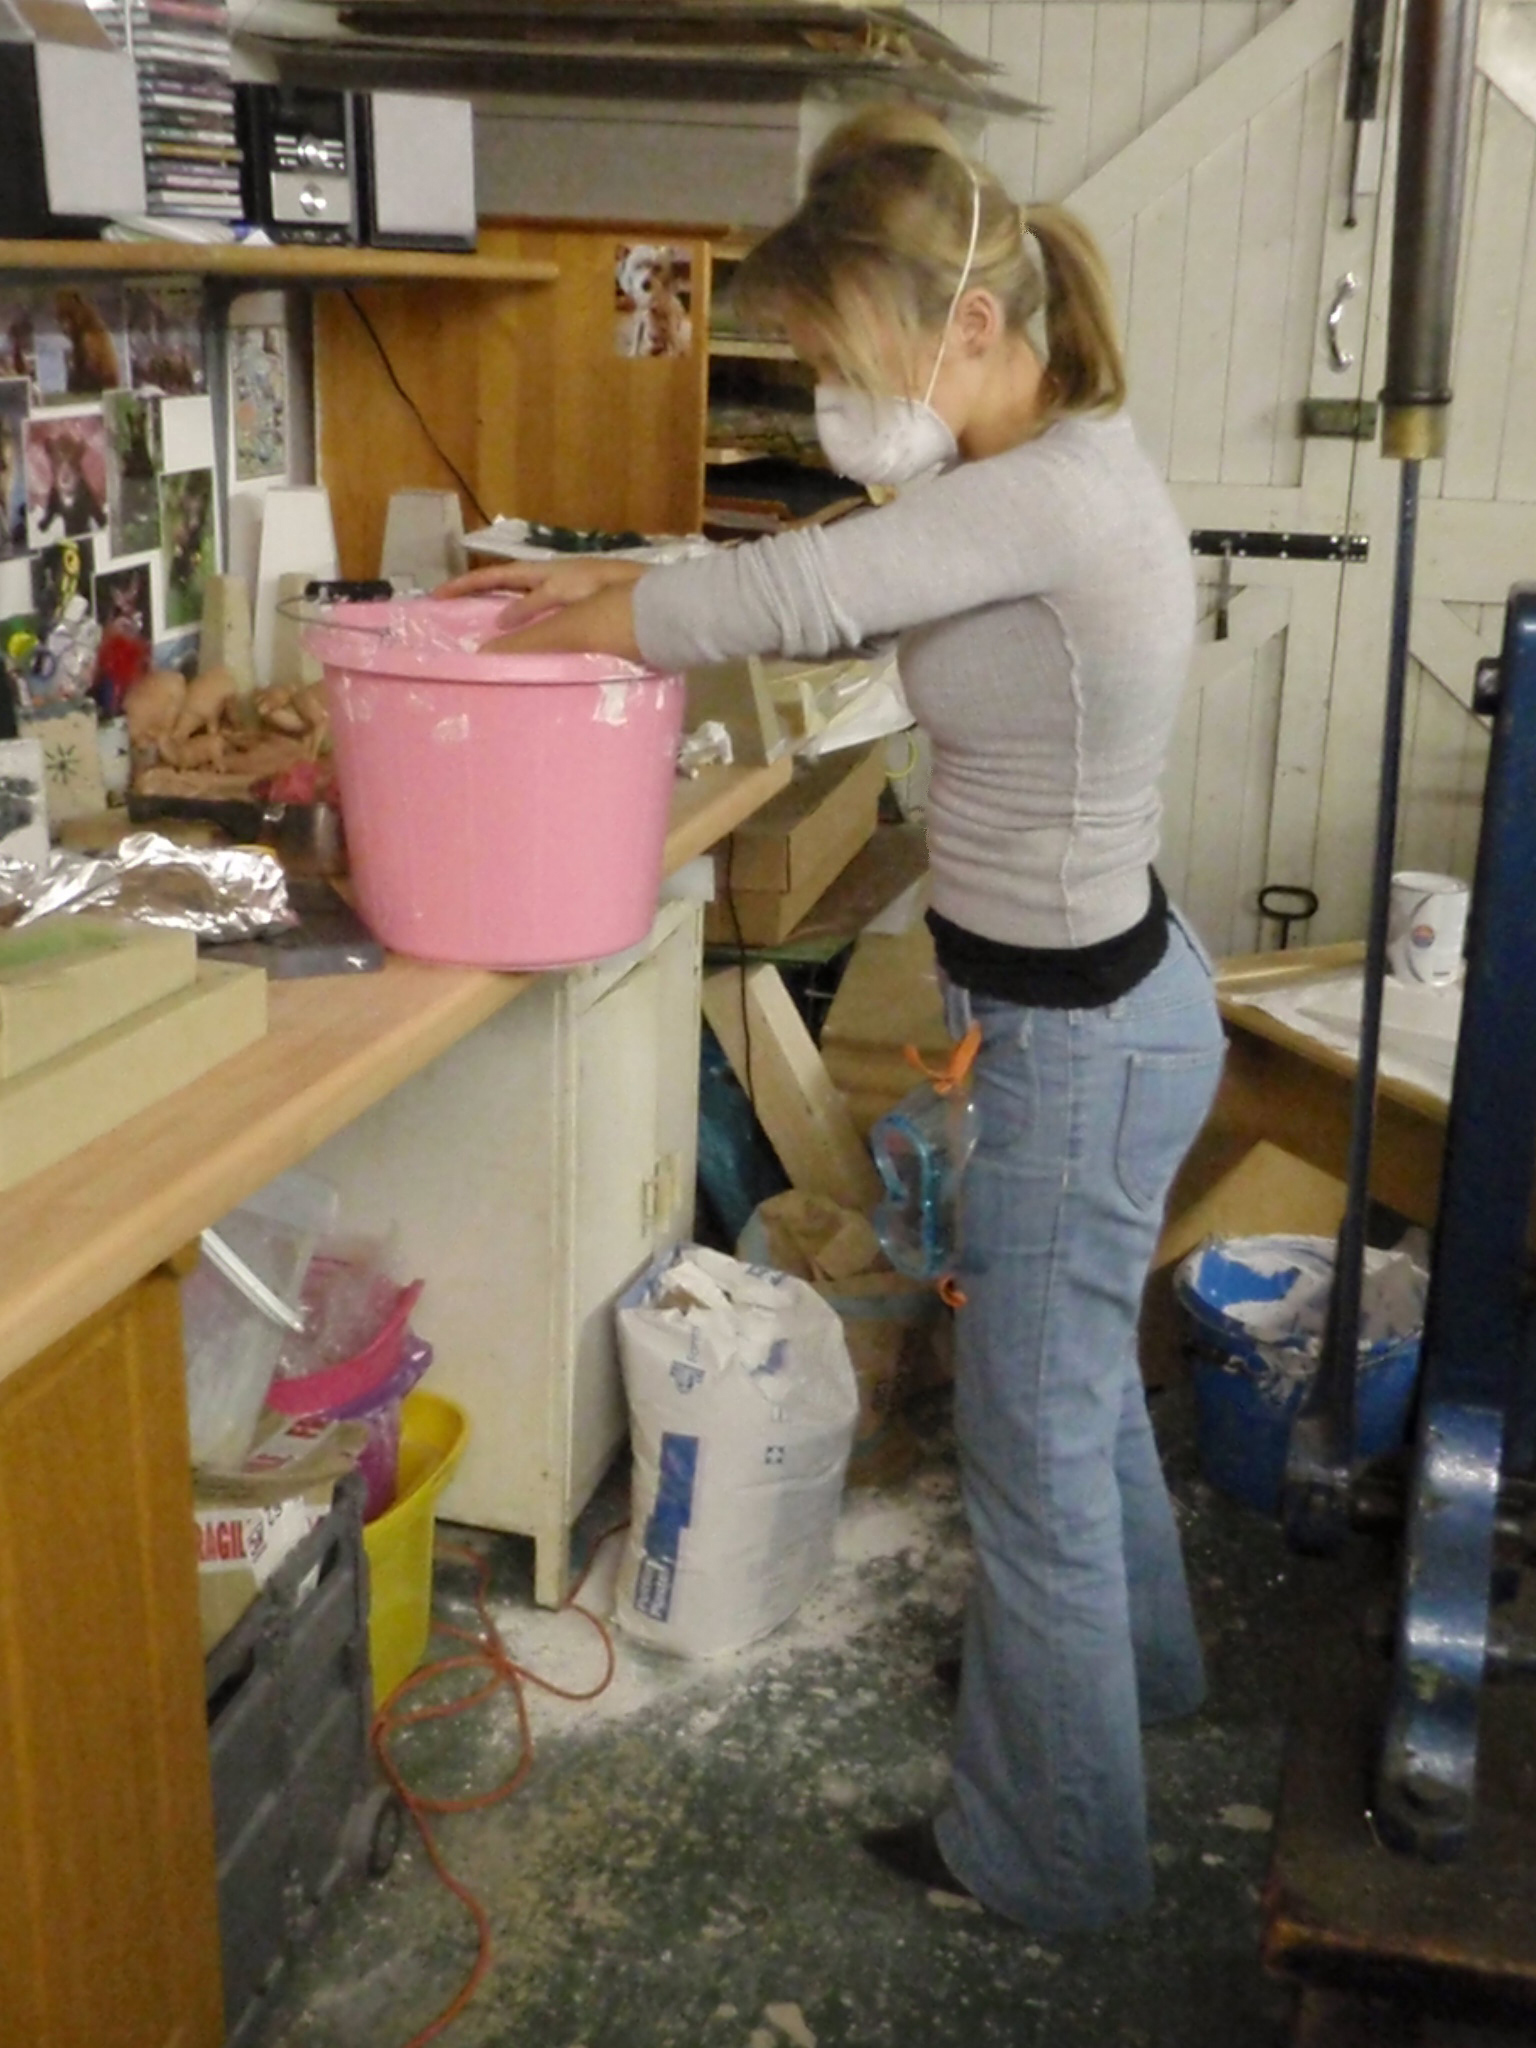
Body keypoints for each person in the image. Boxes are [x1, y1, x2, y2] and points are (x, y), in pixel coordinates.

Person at [441, 103, 1226, 1934]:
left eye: (839, 359)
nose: (825, 401)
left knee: (1030, 1456)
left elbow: (797, 591)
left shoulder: (1041, 492)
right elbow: (826, 573)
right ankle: (1132, 1690)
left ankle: (1054, 1860)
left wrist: (577, 625)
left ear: (969, 325)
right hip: (1098, 1011)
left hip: (1082, 1040)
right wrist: (610, 591)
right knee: (1073, 1399)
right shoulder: (1054, 459)